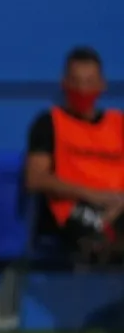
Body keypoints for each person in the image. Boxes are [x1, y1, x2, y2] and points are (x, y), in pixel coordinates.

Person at [25, 46, 124, 263]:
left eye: (89, 82)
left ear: (102, 85)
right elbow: (35, 178)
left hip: (117, 206)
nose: (82, 89)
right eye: (76, 81)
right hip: (71, 210)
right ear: (64, 83)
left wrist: (117, 203)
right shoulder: (49, 123)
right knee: (101, 239)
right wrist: (94, 195)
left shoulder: (118, 124)